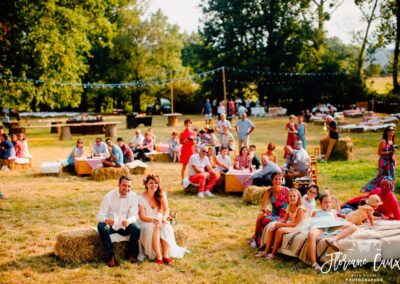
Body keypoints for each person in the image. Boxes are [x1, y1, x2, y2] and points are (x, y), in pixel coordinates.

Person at [138, 175, 187, 264]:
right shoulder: (141, 197)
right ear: (146, 184)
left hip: (159, 217)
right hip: (147, 220)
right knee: (155, 227)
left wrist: (164, 218)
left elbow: (166, 209)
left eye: (156, 183)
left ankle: (166, 255)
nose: (154, 185)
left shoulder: (161, 194)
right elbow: (142, 216)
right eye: (151, 183)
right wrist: (153, 220)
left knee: (166, 226)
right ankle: (158, 256)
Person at [300, 194, 357, 271]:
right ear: (320, 204)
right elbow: (311, 221)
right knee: (311, 234)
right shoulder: (316, 212)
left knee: (353, 226)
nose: (328, 204)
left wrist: (343, 220)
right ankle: (314, 263)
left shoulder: (332, 212)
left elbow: (337, 221)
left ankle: (333, 239)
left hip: (331, 226)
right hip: (320, 226)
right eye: (325, 202)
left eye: (329, 202)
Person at [96, 175, 141, 267]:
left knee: (136, 228)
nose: (126, 188)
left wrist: (128, 221)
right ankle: (111, 256)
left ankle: (131, 255)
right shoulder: (108, 196)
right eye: (124, 185)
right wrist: (106, 220)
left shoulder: (134, 196)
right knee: (101, 227)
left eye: (129, 186)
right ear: (119, 185)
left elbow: (134, 215)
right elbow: (99, 215)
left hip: (125, 224)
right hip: (111, 225)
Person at [256, 189, 307, 260]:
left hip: (300, 226)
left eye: (294, 196)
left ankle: (273, 253)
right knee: (272, 229)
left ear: (298, 197)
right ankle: (266, 251)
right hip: (292, 224)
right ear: (288, 197)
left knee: (280, 231)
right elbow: (284, 220)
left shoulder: (300, 209)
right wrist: (276, 224)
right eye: (290, 196)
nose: (292, 198)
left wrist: (281, 225)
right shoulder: (289, 206)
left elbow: (296, 224)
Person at [249, 172, 289, 248]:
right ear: (272, 181)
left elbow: (294, 203)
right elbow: (263, 207)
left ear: (282, 180)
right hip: (274, 214)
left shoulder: (287, 190)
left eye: (280, 179)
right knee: (260, 217)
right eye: (276, 179)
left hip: (284, 216)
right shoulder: (269, 191)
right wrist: (264, 210)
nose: (278, 181)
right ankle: (256, 240)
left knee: (265, 220)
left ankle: (258, 240)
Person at [361, 126, 396, 192]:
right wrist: (388, 152)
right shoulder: (384, 141)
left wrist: (393, 159)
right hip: (384, 161)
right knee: (381, 176)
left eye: (393, 130)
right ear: (386, 132)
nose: (392, 131)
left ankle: (390, 190)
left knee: (391, 176)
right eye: (390, 130)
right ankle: (369, 188)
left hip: (391, 161)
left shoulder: (392, 141)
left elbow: (393, 152)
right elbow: (379, 152)